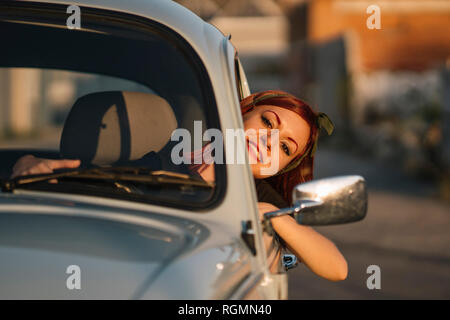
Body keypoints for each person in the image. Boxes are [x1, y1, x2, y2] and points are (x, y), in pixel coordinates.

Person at [11, 90, 348, 281]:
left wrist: (274, 215)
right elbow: (109, 184)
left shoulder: (259, 196)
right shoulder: (169, 156)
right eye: (266, 122)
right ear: (240, 112)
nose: (270, 141)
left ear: (281, 166)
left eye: (286, 148)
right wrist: (31, 169)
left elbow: (337, 268)